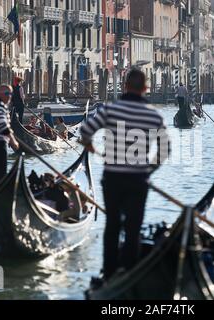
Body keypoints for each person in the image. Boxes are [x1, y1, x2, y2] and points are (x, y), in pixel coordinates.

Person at [80, 69, 171, 280]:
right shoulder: (154, 115)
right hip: (138, 180)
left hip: (112, 177)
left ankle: (109, 272)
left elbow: (85, 130)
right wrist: (148, 170)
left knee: (112, 225)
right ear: (146, 89)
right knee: (133, 227)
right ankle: (130, 272)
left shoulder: (110, 110)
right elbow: (165, 150)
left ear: (125, 86)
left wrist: (91, 148)